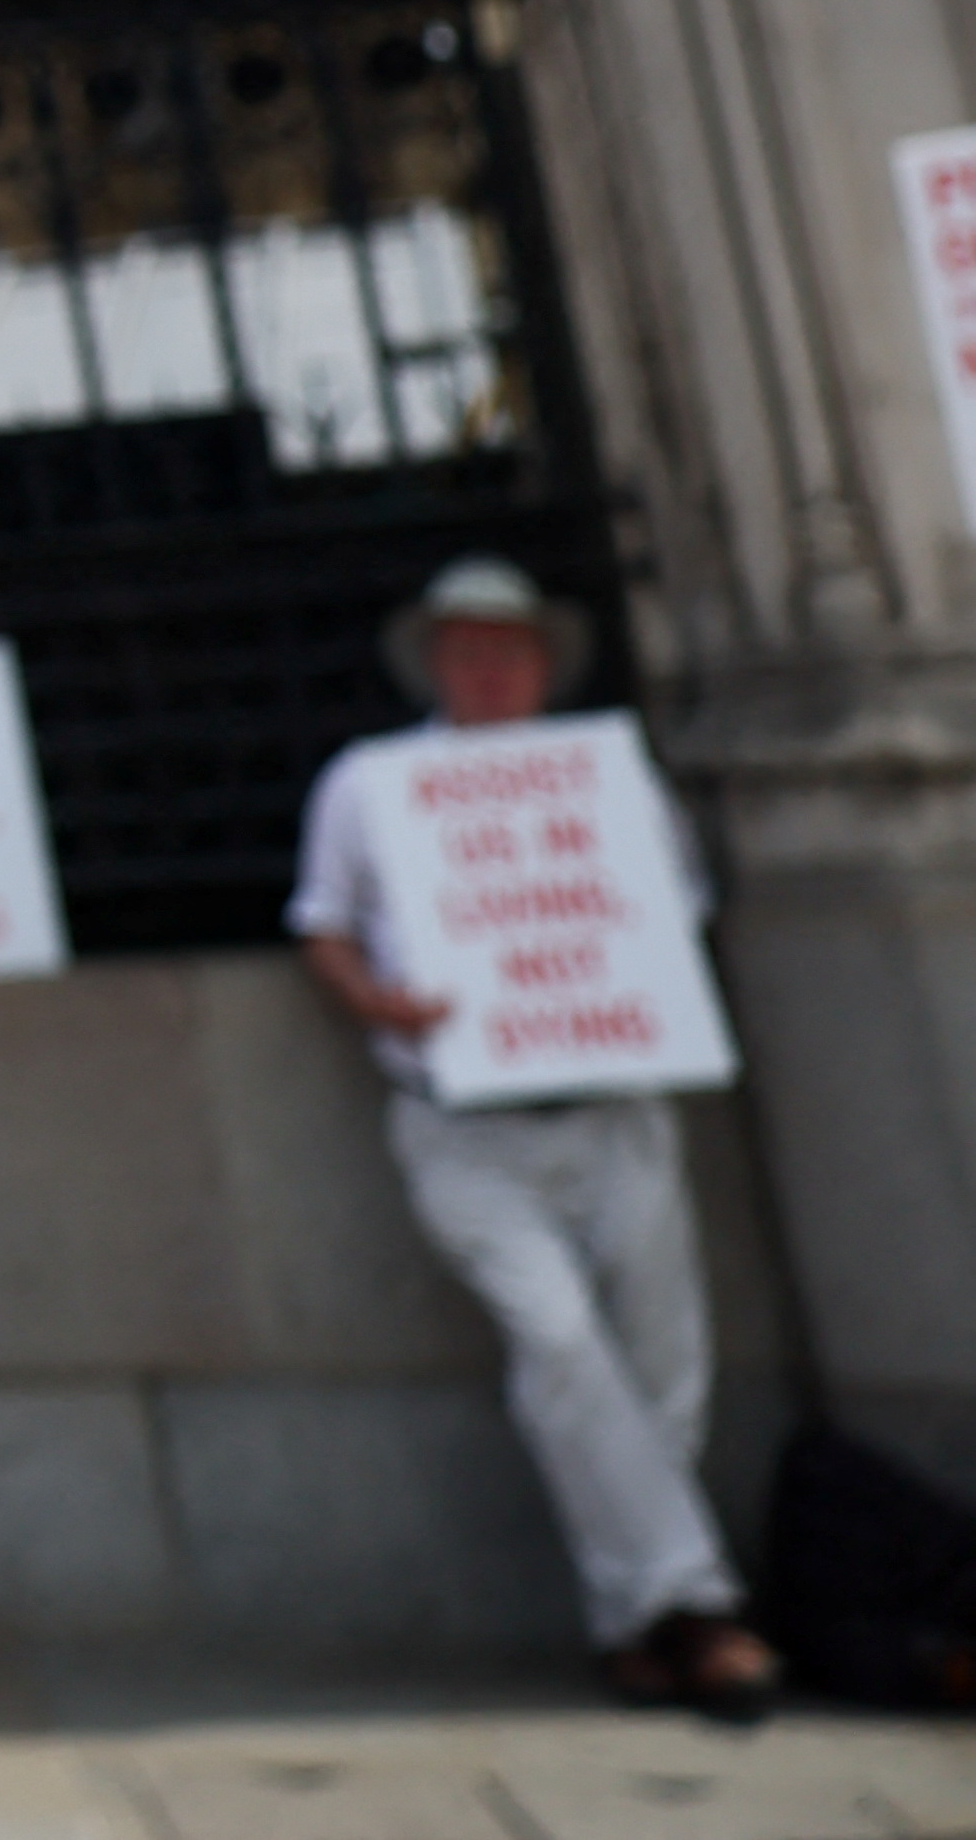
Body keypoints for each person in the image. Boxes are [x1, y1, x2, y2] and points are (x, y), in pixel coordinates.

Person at [291, 555, 779, 1721]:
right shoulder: (372, 783)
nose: (488, 669)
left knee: (658, 1363)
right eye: (465, 650)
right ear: (435, 664)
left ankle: (629, 1623)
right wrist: (378, 1004)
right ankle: (702, 1609)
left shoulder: (610, 785)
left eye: (507, 650)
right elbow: (323, 927)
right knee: (559, 1344)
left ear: (541, 666)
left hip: (609, 1104)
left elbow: (670, 911)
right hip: (462, 1123)